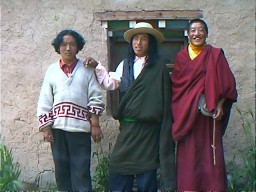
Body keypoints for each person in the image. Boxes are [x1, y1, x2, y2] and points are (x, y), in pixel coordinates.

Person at [84, 22, 176, 191]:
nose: (138, 43)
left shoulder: (159, 67)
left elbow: (165, 98)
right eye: (135, 39)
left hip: (149, 130)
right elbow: (110, 83)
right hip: (128, 128)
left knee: (146, 171)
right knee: (118, 166)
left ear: (151, 43)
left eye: (143, 39)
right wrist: (97, 66)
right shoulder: (125, 65)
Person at [171, 18, 237, 191]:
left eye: (200, 30)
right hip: (187, 117)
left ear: (206, 34)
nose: (196, 33)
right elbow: (177, 88)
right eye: (193, 30)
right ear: (188, 34)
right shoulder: (181, 57)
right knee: (188, 157)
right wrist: (185, 107)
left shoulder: (215, 55)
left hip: (208, 118)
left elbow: (228, 85)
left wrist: (221, 105)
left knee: (210, 156)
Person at [37, 29, 105, 191]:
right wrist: (46, 128)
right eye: (64, 44)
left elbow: (95, 97)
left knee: (81, 171)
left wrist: (94, 124)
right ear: (58, 47)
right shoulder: (52, 71)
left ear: (78, 47)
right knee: (62, 171)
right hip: (58, 130)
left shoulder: (86, 69)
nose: (68, 48)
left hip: (80, 130)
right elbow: (45, 99)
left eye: (72, 44)